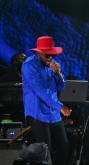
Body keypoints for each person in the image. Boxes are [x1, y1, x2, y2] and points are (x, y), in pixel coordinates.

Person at [22, 36, 72, 165]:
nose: (50, 58)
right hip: (38, 114)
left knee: (63, 148)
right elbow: (40, 91)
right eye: (47, 55)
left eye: (52, 55)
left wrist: (58, 73)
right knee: (44, 151)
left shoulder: (51, 64)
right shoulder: (29, 65)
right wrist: (60, 106)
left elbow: (62, 86)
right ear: (38, 53)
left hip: (53, 114)